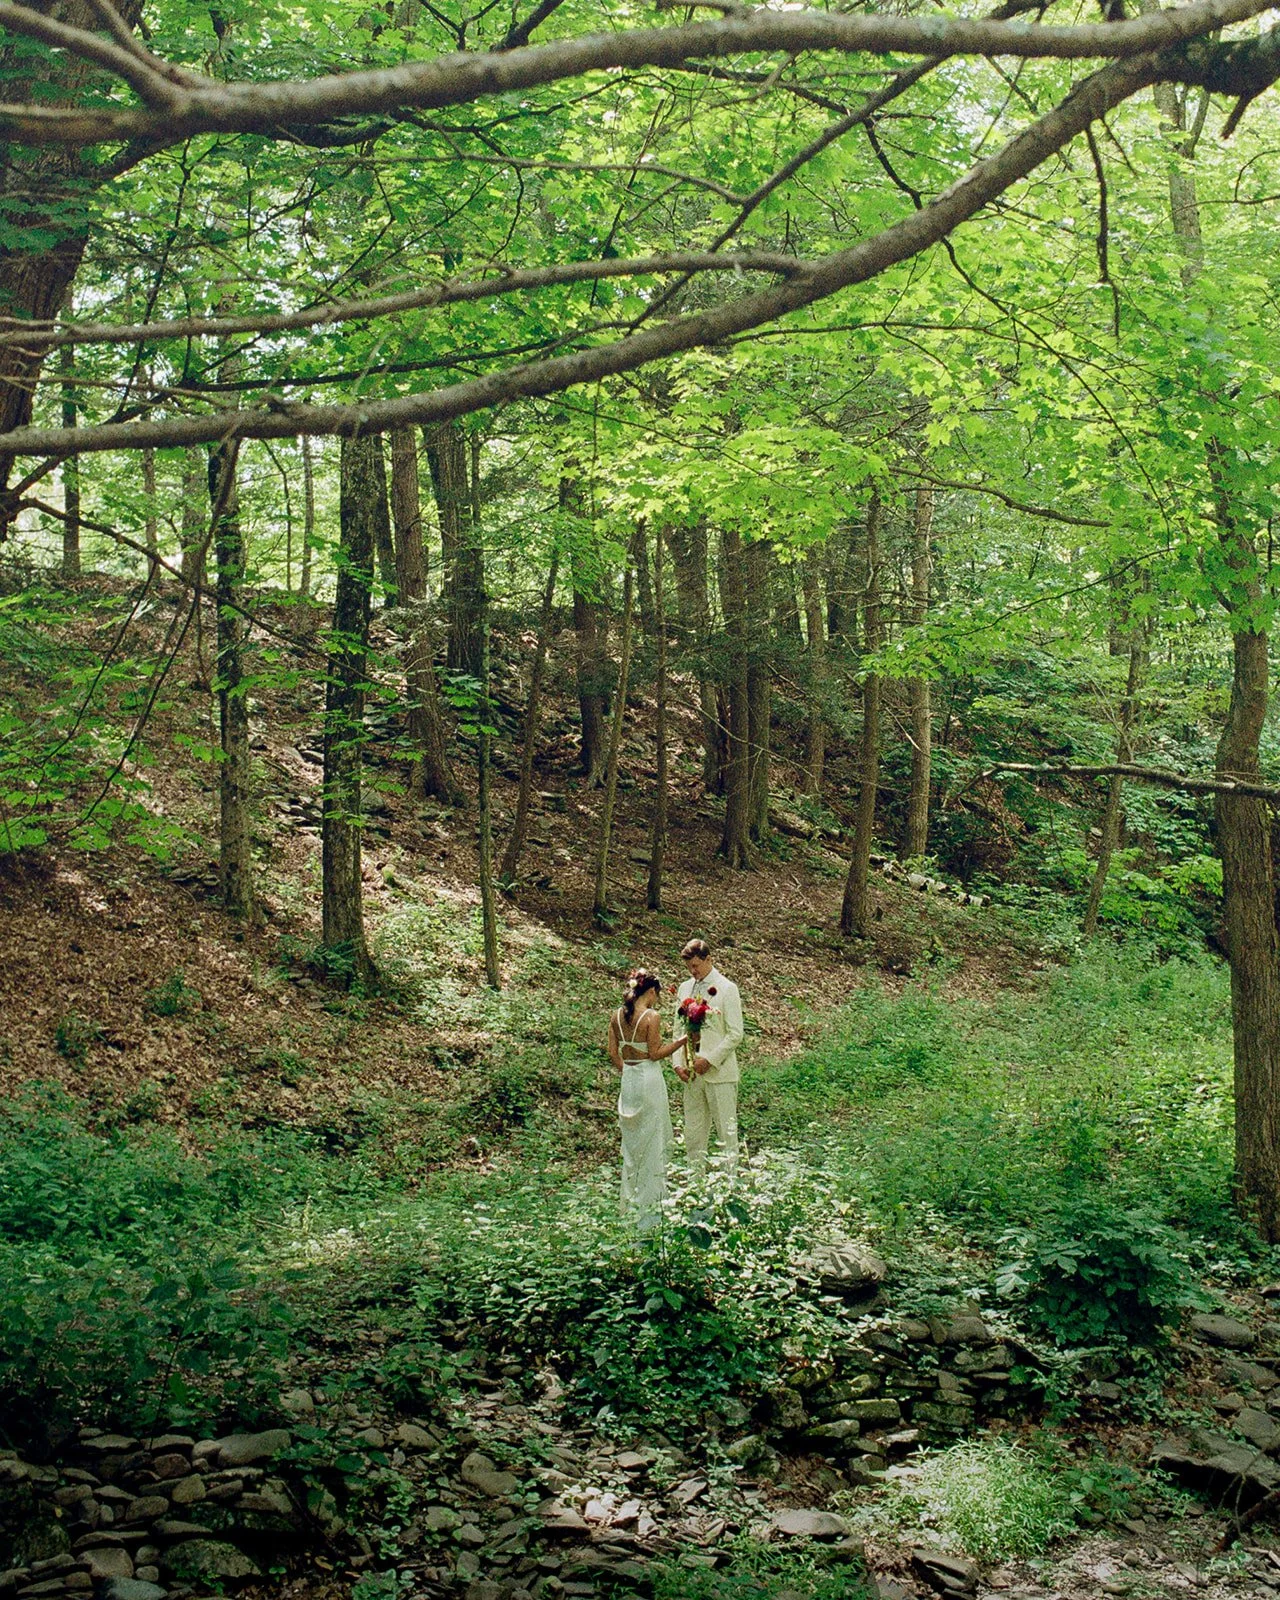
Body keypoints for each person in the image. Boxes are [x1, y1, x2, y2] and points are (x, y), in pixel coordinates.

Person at [608, 969, 685, 1227]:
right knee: (653, 1136)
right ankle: (652, 1206)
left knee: (632, 1143)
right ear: (651, 992)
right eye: (656, 995)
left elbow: (612, 1052)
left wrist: (627, 1069)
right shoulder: (651, 1016)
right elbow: (655, 1053)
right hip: (648, 1079)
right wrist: (681, 1042)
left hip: (628, 1079)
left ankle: (630, 1204)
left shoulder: (616, 1016)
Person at [674, 937, 744, 1181]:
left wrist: (710, 1060)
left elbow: (735, 1033)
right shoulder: (684, 989)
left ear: (708, 960)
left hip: (719, 1074)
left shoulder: (727, 989)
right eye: (689, 967)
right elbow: (677, 1030)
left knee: (726, 1132)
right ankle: (695, 1185)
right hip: (692, 1072)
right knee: (693, 1133)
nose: (693, 971)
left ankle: (730, 1184)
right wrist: (678, 1064)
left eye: (696, 966)